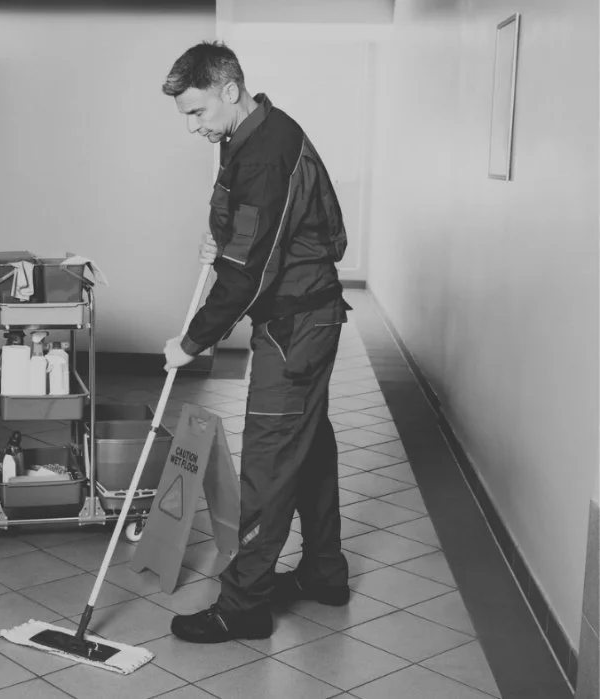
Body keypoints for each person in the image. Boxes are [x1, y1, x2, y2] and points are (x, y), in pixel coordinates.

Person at [161, 41, 352, 644]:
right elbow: (248, 226)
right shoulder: (248, 136)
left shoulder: (267, 154)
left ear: (229, 90)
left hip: (294, 328)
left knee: (269, 462)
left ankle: (243, 605)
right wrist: (217, 238)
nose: (192, 126)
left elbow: (248, 273)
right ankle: (324, 573)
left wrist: (190, 343)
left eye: (196, 112)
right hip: (304, 317)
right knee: (310, 446)